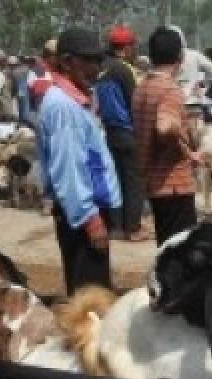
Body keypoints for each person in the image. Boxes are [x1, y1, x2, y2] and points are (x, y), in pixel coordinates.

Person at [37, 28, 122, 294]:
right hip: (83, 215)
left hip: (88, 209)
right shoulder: (63, 106)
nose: (95, 68)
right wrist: (90, 219)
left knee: (91, 290)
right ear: (66, 62)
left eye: (98, 60)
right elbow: (69, 169)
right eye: (88, 61)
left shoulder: (74, 101)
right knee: (90, 298)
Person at [133, 27, 201, 246]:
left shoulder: (142, 87)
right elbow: (164, 127)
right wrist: (186, 148)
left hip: (153, 182)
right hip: (174, 186)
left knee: (166, 248)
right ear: (180, 57)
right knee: (181, 251)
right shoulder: (170, 89)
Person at [96, 26, 146, 242]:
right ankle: (133, 228)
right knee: (134, 181)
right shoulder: (125, 70)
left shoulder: (102, 68)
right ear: (126, 48)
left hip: (109, 131)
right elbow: (135, 103)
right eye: (133, 46)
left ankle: (115, 227)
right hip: (127, 131)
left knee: (115, 179)